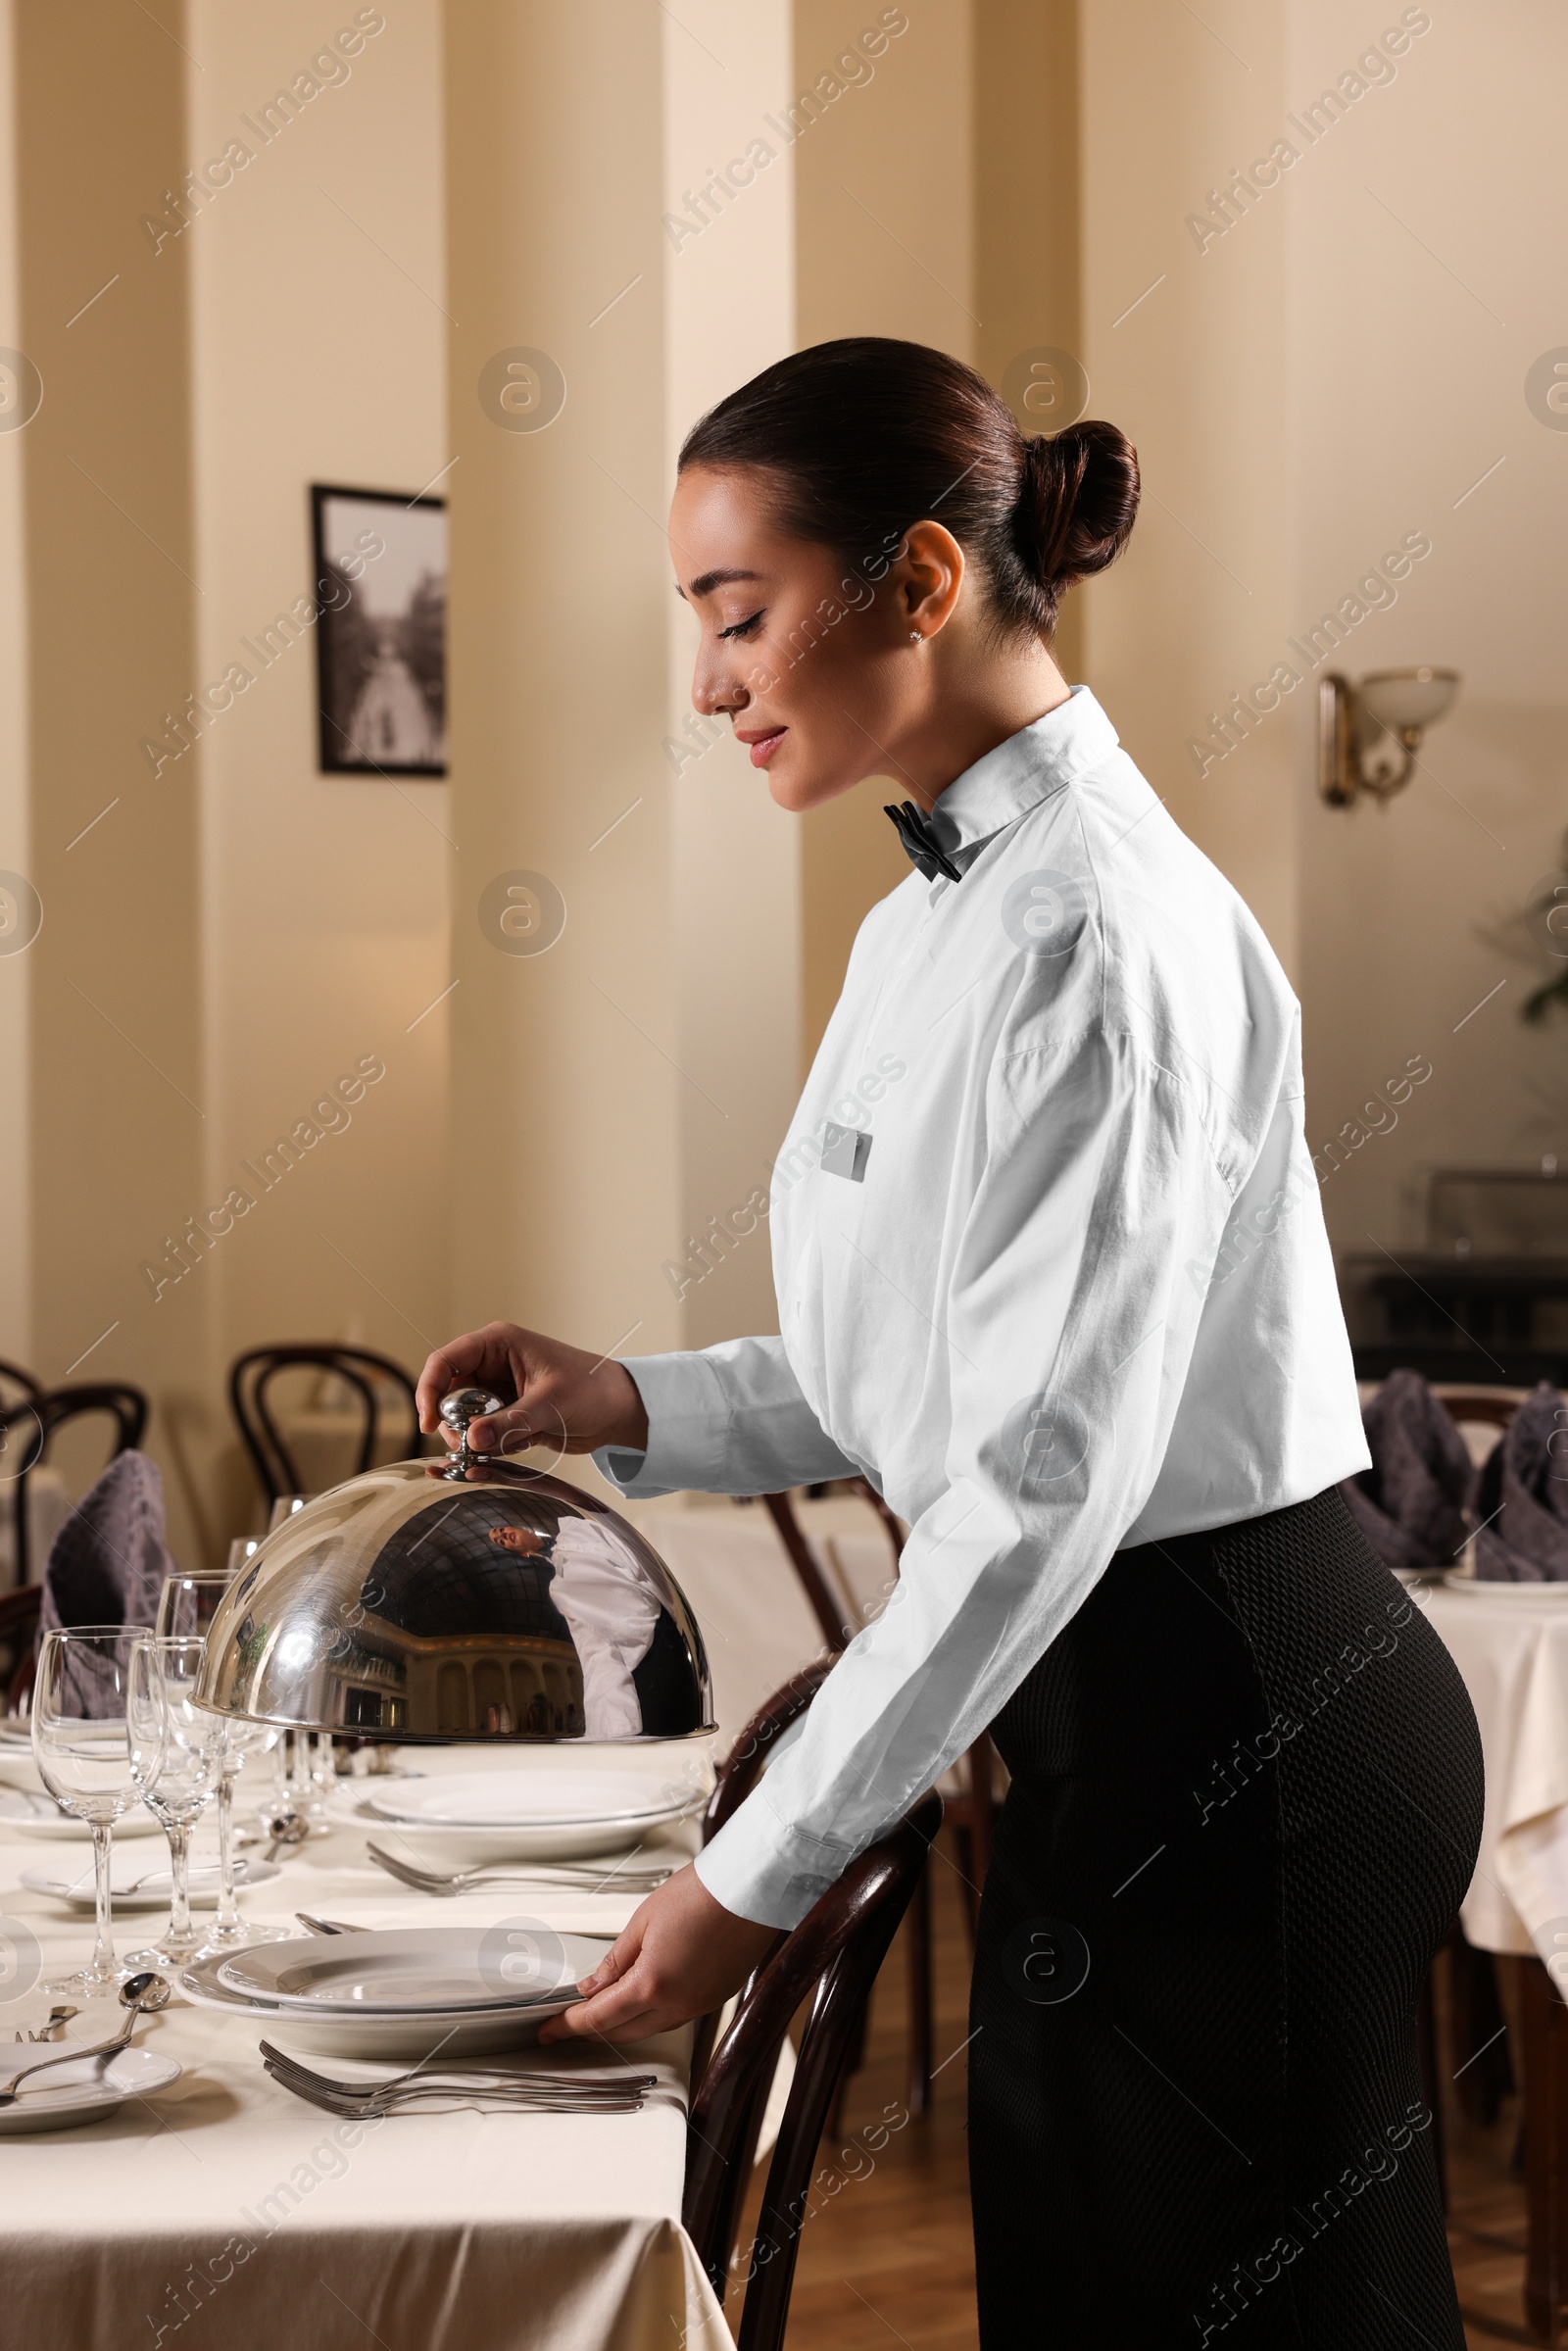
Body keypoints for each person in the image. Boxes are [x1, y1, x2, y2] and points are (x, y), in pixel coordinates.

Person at [418, 338, 1482, 2345]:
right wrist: (626, 1397)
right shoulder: (918, 922)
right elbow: (927, 1365)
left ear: (915, 581)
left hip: (1238, 1728)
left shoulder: (1097, 925)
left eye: (735, 615)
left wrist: (751, 1883)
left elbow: (1030, 1487)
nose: (708, 682)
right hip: (1108, 1721)